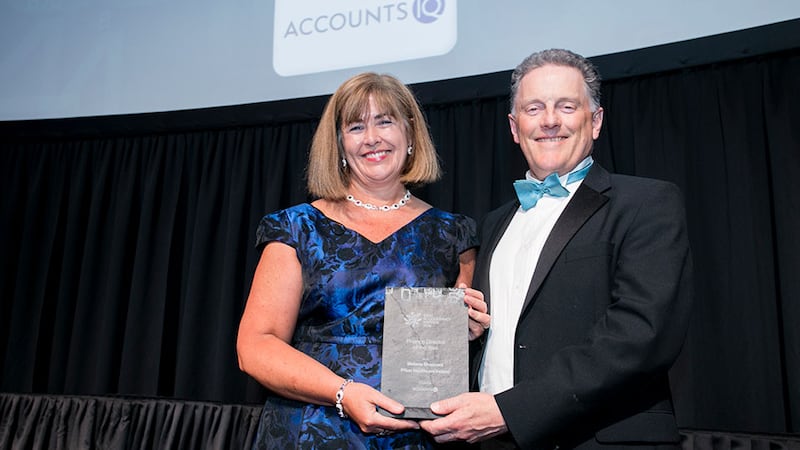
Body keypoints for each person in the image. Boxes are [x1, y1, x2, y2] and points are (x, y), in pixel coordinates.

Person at [419, 49, 694, 449]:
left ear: (595, 121)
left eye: (566, 106)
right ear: (515, 128)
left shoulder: (647, 204)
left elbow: (641, 336)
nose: (549, 121)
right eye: (534, 108)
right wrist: (469, 329)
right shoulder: (494, 222)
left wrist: (509, 411)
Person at [236, 72, 491, 449]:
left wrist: (465, 330)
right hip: (310, 431)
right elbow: (255, 346)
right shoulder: (297, 227)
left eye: (385, 121)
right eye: (356, 126)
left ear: (409, 134)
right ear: (339, 144)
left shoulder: (454, 234)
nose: (372, 138)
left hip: (414, 437)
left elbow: (451, 348)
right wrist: (343, 393)